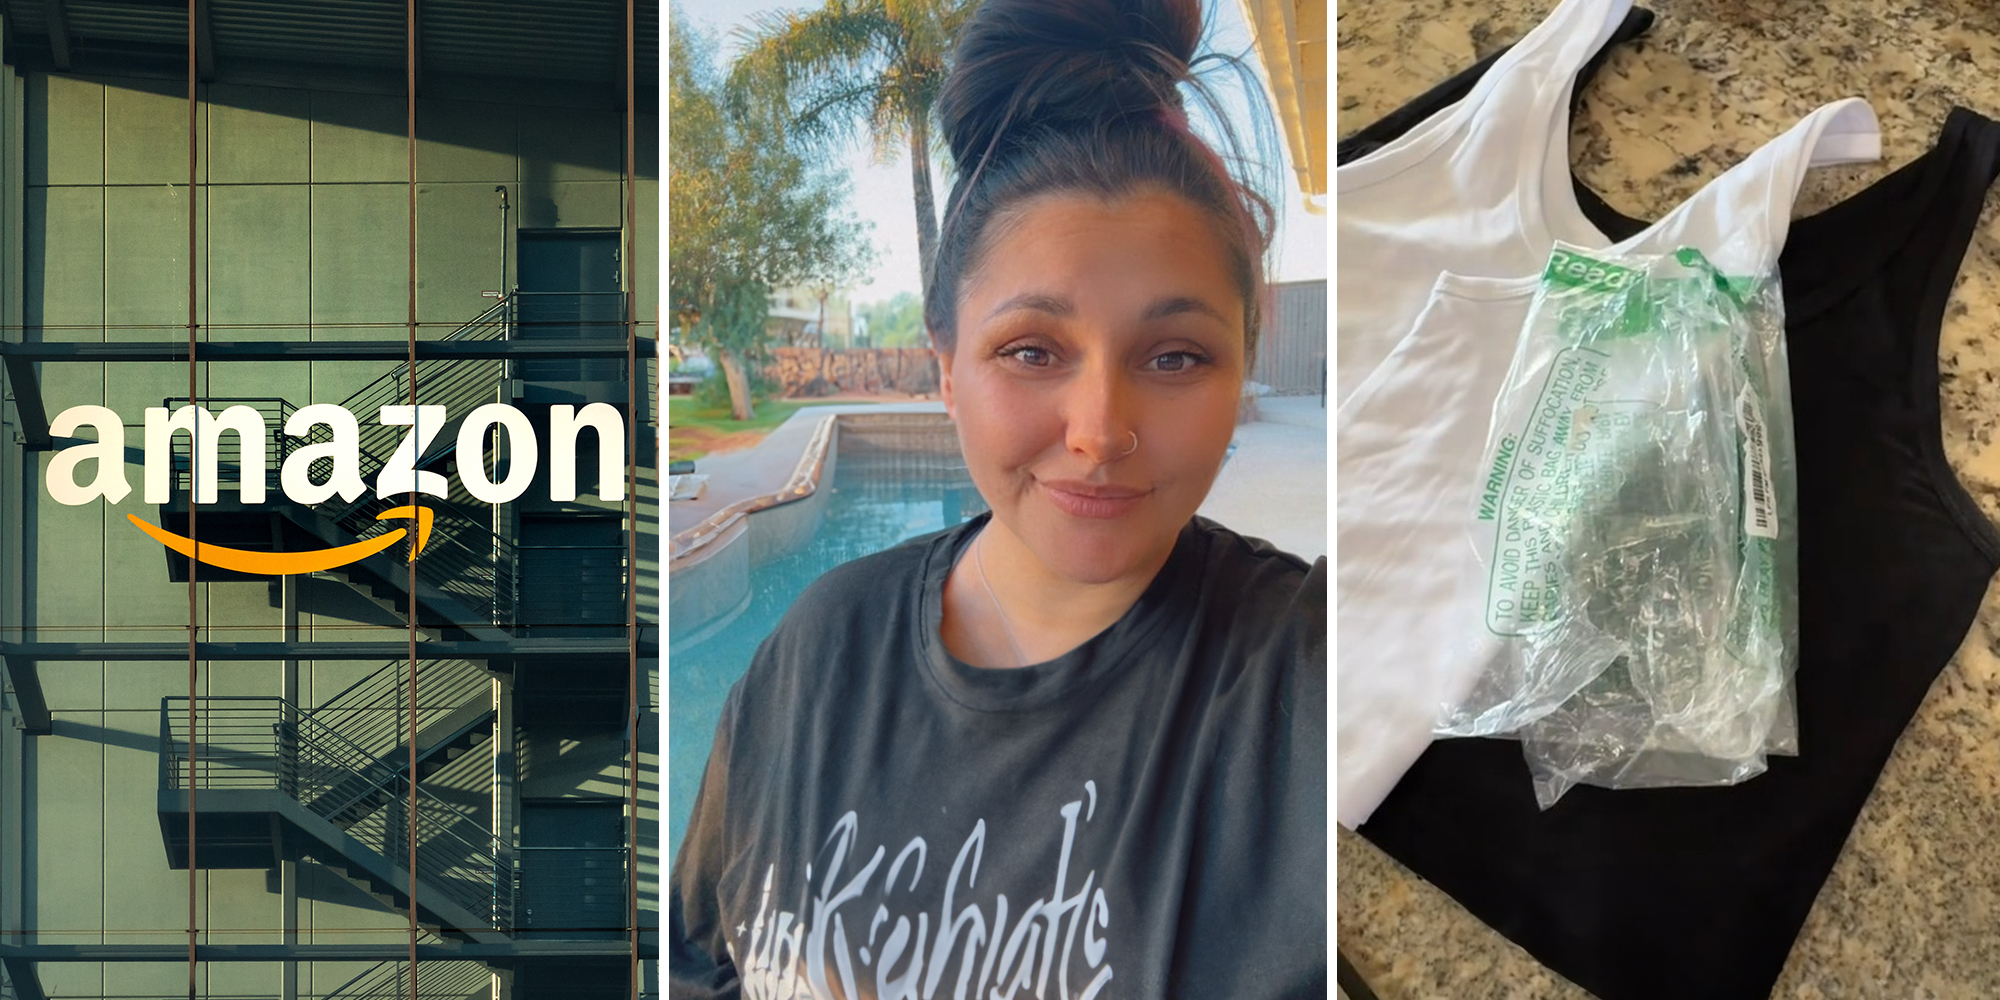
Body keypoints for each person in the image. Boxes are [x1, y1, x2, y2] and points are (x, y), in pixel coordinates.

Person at [669, 0, 1327, 995]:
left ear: (1241, 368)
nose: (1099, 430)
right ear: (945, 368)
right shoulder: (817, 651)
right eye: (1030, 351)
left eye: (1174, 356)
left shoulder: (1302, 683)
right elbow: (699, 960)